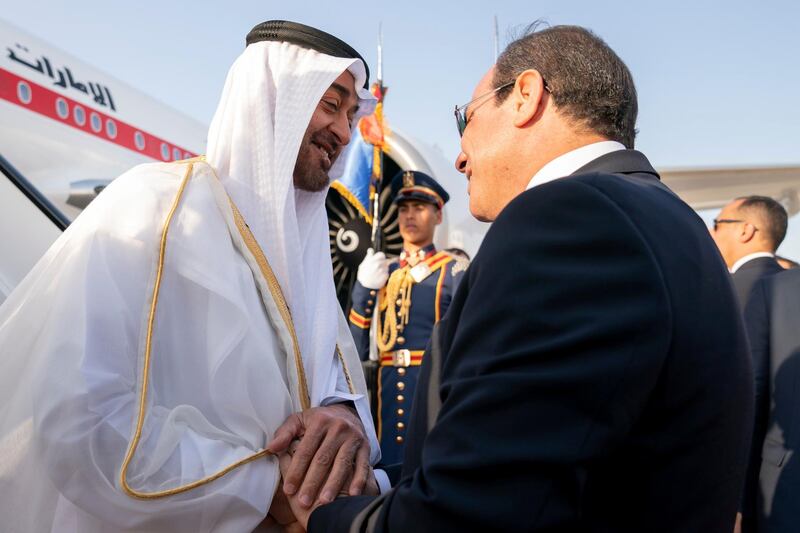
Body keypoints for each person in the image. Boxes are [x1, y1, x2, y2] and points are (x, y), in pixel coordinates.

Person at [280, 23, 754, 532]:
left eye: (466, 117)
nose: (460, 155)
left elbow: (473, 514)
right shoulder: (673, 222)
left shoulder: (570, 216)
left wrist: (319, 515)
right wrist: (379, 484)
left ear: (526, 96)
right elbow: (543, 462)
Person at [0, 20, 381, 532]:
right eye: (331, 105)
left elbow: (334, 384)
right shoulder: (155, 209)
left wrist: (343, 419)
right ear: (272, 100)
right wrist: (267, 488)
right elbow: (83, 424)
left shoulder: (304, 256)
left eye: (351, 115)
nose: (344, 132)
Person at [348, 170, 467, 464]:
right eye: (403, 209)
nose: (409, 216)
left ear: (438, 215)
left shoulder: (453, 271)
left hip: (431, 390)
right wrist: (363, 290)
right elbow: (355, 347)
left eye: (419, 208)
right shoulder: (382, 272)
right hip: (385, 393)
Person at [741, 268, 800, 533]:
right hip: (786, 499)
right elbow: (750, 403)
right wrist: (739, 502)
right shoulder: (774, 292)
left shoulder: (776, 291)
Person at [711, 195, 787, 309]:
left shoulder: (720, 290)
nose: (711, 232)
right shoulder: (793, 284)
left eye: (717, 225)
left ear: (746, 231)